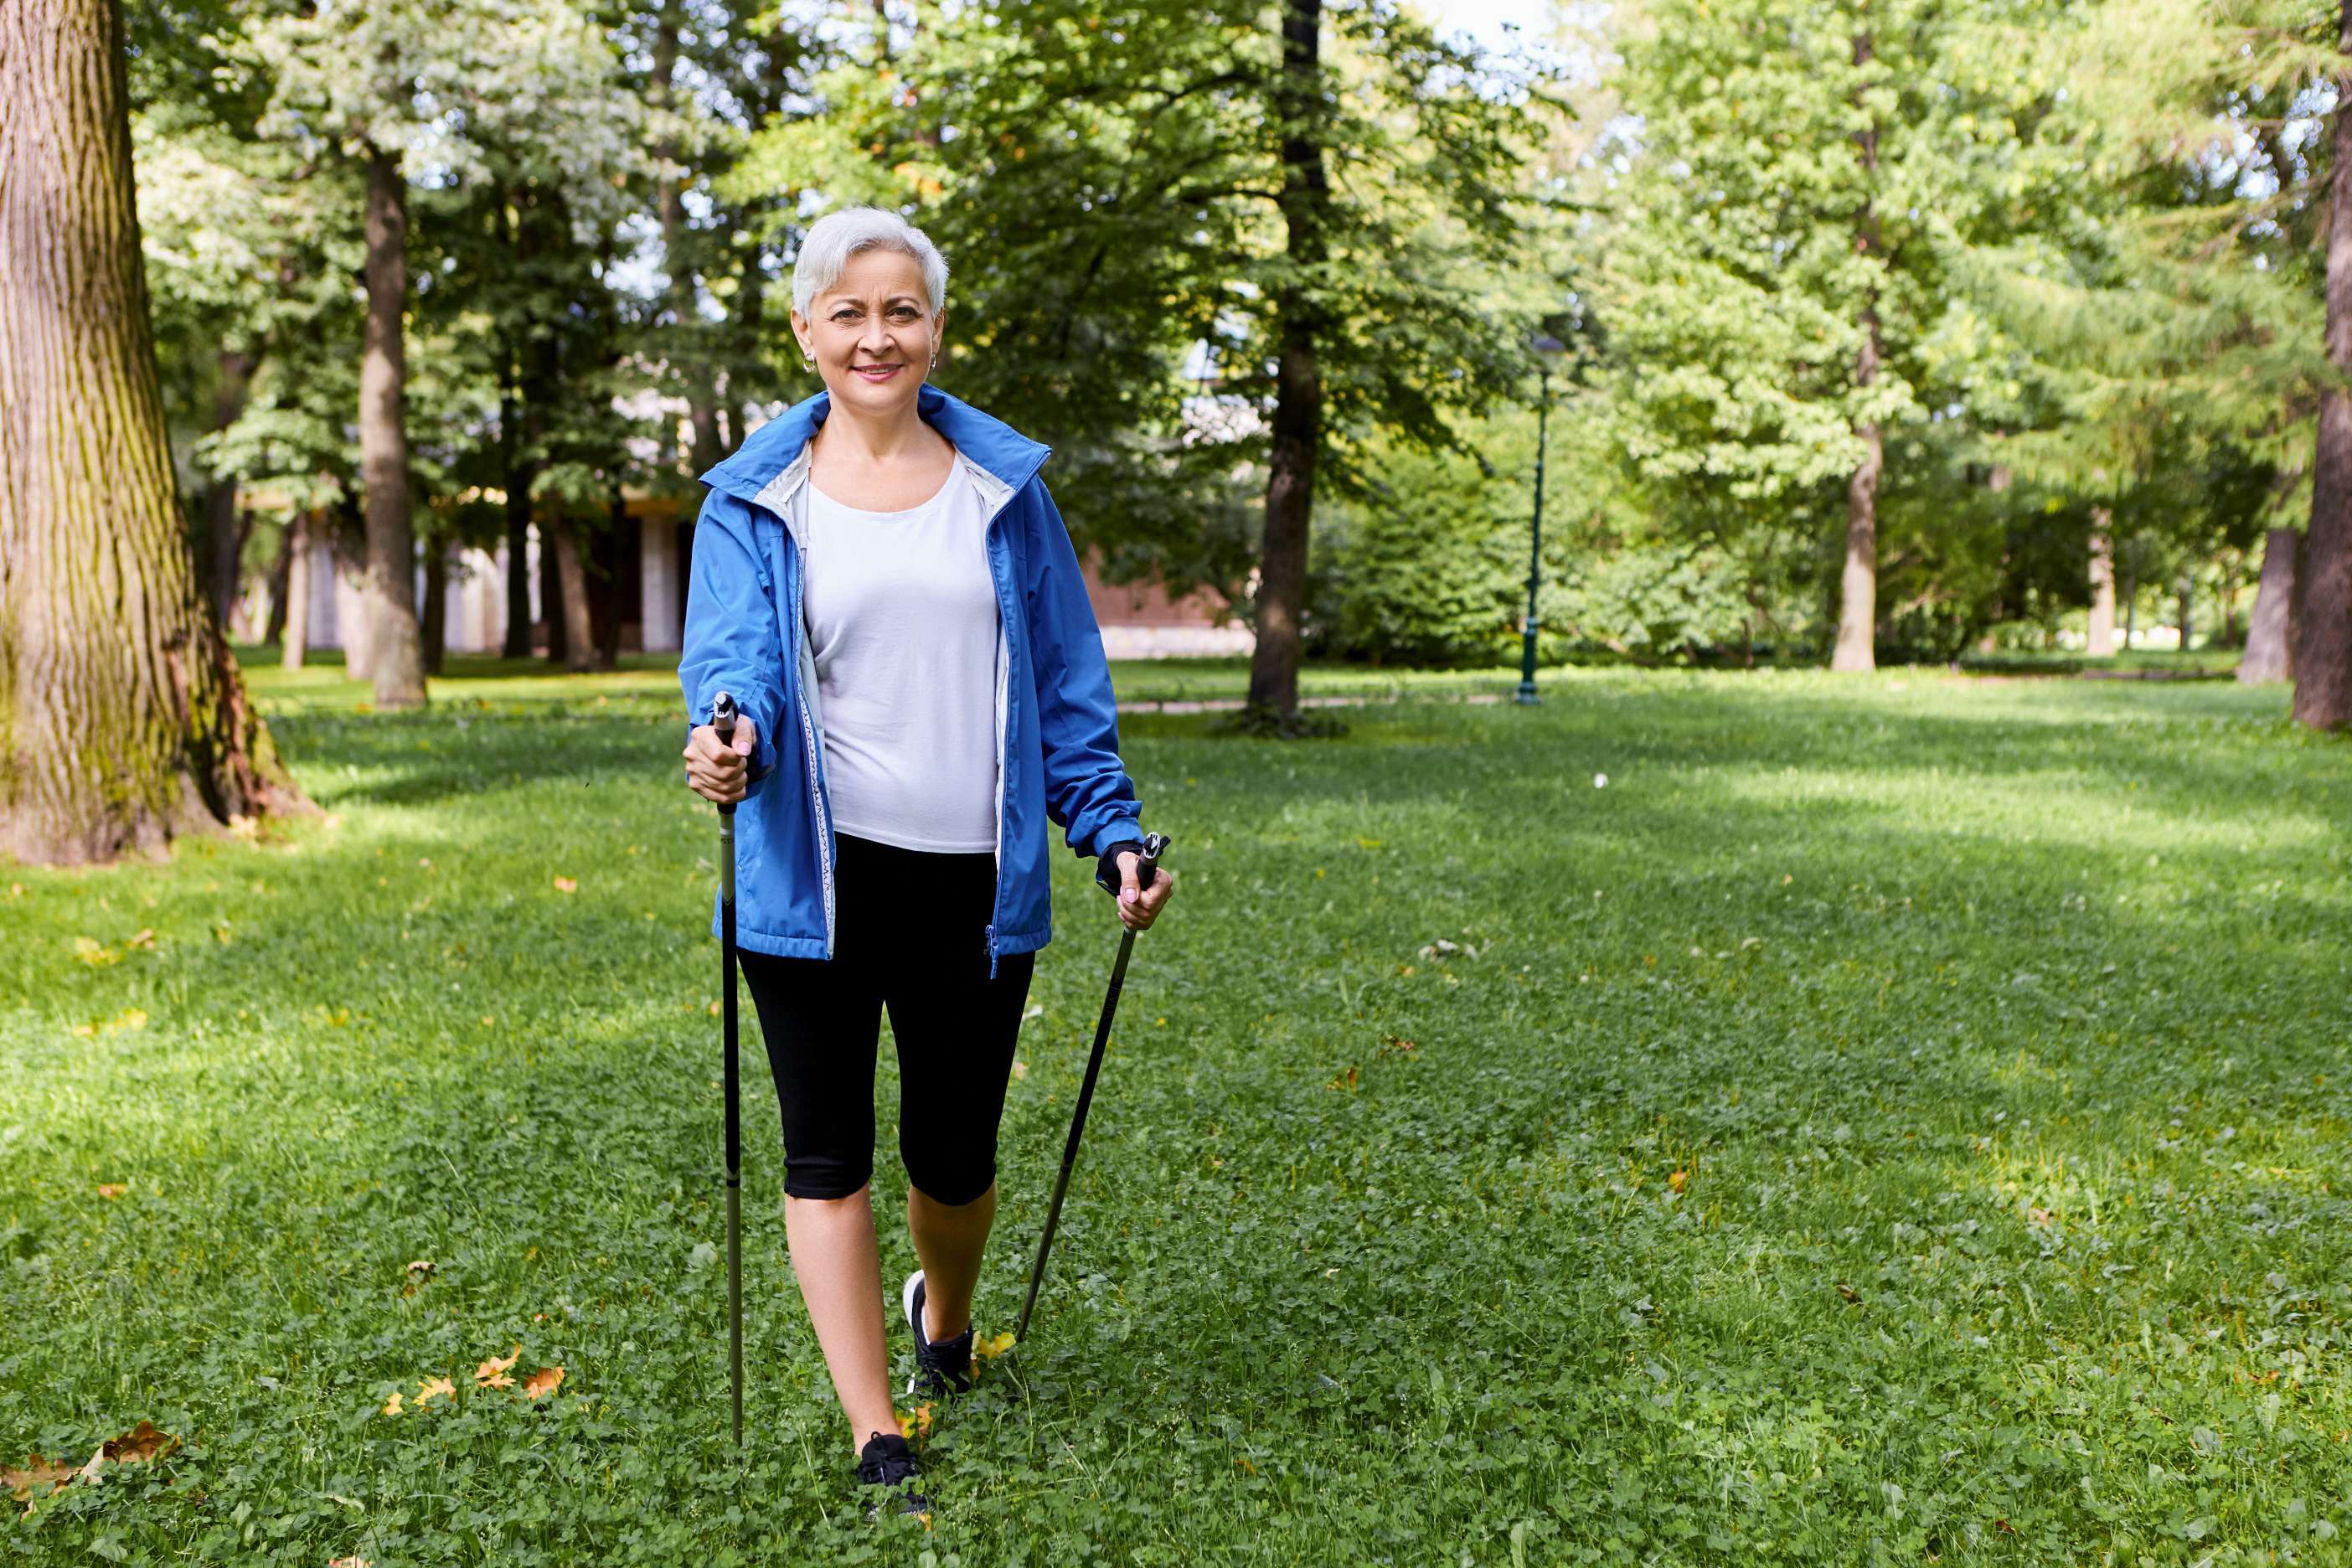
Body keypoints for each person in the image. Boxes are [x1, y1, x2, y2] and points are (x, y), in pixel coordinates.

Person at [676, 207, 1175, 1516]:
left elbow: (1069, 685)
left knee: (954, 1161)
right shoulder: (750, 500)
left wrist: (1111, 827)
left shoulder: (1004, 494)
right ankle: (873, 1426)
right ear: (805, 332)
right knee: (824, 1153)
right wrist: (727, 738)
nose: (875, 335)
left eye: (900, 311)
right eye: (847, 312)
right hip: (813, 872)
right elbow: (733, 664)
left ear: (936, 329)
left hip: (972, 878)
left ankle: (940, 1321)